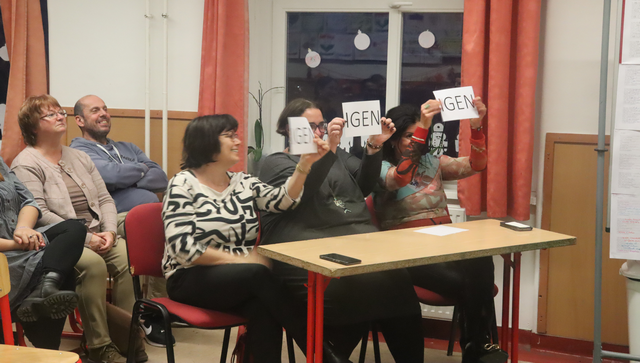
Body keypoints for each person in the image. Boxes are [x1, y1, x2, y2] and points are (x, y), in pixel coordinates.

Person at [163, 114, 349, 363]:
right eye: (230, 136)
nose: (238, 141)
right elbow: (183, 249)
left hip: (241, 278)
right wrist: (239, 261)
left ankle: (325, 355)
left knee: (263, 307)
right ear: (206, 141)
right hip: (188, 277)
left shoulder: (243, 182)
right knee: (259, 275)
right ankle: (326, 356)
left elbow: (283, 200)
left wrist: (304, 165)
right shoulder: (182, 184)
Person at [258, 98, 425, 362]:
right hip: (303, 248)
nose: (318, 131)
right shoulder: (276, 162)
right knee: (356, 288)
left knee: (398, 282)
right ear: (288, 129)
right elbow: (299, 195)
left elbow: (364, 186)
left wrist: (374, 146)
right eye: (310, 126)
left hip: (354, 242)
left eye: (321, 125)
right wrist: (329, 150)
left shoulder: (339, 156)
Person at [374, 99, 508, 363]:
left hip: (444, 242)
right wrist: (424, 126)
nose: (415, 141)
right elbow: (398, 179)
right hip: (407, 251)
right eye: (409, 135)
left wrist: (476, 126)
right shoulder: (379, 166)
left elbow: (477, 164)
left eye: (418, 134)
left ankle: (474, 345)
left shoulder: (432, 162)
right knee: (474, 286)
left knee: (481, 257)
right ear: (393, 138)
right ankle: (476, 345)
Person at [11, 95, 142, 363]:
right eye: (50, 114)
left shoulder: (79, 156)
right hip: (60, 241)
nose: (61, 116)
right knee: (93, 265)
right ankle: (100, 347)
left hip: (99, 232)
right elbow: (39, 214)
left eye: (60, 111)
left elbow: (105, 199)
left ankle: (128, 338)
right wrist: (87, 239)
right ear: (33, 126)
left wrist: (109, 232)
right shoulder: (26, 163)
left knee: (128, 256)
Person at [70, 94, 170, 347]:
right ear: (80, 120)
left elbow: (160, 178)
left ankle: (156, 309)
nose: (103, 113)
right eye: (95, 110)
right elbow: (109, 176)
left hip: (146, 218)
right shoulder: (79, 150)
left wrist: (126, 177)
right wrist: (141, 169)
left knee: (168, 227)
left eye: (105, 109)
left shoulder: (128, 148)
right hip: (113, 220)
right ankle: (146, 316)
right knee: (158, 231)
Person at [0, 157, 85, 350]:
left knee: (74, 229)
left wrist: (23, 228)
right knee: (64, 273)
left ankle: (43, 290)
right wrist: (17, 244)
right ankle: (48, 348)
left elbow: (29, 201)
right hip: (5, 258)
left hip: (21, 242)